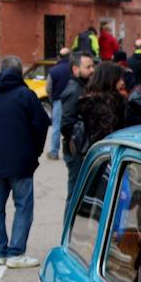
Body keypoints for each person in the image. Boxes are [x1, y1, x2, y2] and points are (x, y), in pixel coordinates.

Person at [0, 55, 50, 269]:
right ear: (19, 72)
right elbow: (42, 124)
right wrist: (35, 151)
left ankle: (0, 251)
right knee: (23, 206)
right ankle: (16, 252)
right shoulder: (25, 95)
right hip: (21, 160)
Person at [59, 52, 96, 199]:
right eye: (88, 67)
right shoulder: (74, 90)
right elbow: (66, 124)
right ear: (75, 69)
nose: (92, 70)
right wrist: (79, 143)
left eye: (92, 66)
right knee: (75, 194)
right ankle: (70, 222)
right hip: (76, 152)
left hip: (79, 150)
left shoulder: (82, 87)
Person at [77, 61, 128, 151]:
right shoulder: (102, 107)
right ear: (109, 80)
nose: (122, 82)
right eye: (119, 79)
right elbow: (109, 138)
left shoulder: (107, 101)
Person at [46, 47, 72, 160]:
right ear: (70, 56)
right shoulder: (74, 68)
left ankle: (54, 152)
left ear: (59, 57)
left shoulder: (53, 70)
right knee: (72, 125)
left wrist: (52, 99)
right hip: (72, 100)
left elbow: (48, 88)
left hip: (58, 101)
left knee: (56, 127)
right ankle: (71, 151)